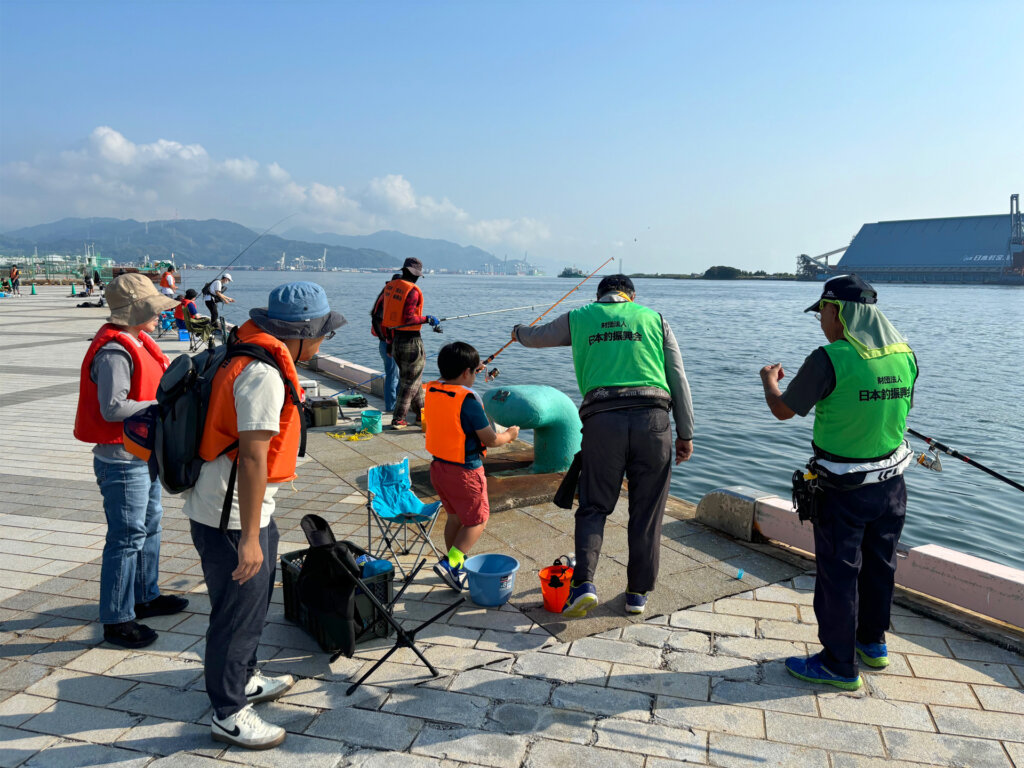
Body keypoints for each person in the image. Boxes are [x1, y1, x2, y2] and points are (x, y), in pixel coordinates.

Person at [184, 281, 345, 749]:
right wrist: (251, 537)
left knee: (250, 605)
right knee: (236, 612)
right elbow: (253, 457)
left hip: (237, 507)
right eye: (322, 333)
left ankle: (246, 677)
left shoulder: (253, 353)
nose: (322, 343)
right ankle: (228, 711)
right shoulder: (263, 374)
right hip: (230, 515)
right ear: (300, 333)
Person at [759, 274, 918, 691]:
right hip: (892, 486)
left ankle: (837, 664)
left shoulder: (830, 358)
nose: (821, 321)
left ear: (839, 312)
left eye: (823, 312)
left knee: (839, 573)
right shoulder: (906, 355)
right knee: (881, 566)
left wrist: (769, 381)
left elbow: (784, 410)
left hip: (843, 490)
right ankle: (873, 643)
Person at [511, 274, 694, 617]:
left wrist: (518, 332)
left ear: (600, 296)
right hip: (653, 422)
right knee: (647, 512)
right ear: (631, 296)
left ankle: (583, 585)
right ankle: (637, 594)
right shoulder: (654, 319)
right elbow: (678, 378)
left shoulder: (579, 318)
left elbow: (536, 338)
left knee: (594, 506)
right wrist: (686, 433)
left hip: (602, 422)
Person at [74, 273, 189, 648]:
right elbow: (112, 408)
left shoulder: (135, 339)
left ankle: (145, 595)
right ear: (137, 312)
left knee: (149, 525)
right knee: (126, 537)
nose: (160, 315)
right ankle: (117, 619)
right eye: (154, 309)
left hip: (142, 453)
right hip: (122, 459)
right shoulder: (114, 351)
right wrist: (162, 403)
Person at [424, 342, 520, 590]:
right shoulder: (468, 401)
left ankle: (454, 567)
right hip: (465, 471)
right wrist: (510, 435)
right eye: (474, 372)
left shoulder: (433, 390)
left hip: (439, 469)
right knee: (478, 520)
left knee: (455, 518)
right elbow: (489, 439)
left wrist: (471, 369)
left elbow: (450, 377)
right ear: (467, 372)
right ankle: (452, 564)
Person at [380, 257, 440, 428]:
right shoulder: (412, 291)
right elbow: (408, 318)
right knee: (410, 382)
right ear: (415, 274)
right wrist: (427, 318)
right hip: (411, 341)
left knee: (415, 380)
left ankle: (423, 415)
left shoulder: (391, 287)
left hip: (395, 339)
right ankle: (398, 418)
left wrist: (390, 343)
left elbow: (388, 318)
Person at [370, 273, 402, 411]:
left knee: (397, 375)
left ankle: (397, 405)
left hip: (390, 343)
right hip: (389, 343)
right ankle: (391, 407)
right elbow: (376, 320)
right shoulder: (386, 299)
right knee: (393, 375)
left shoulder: (388, 296)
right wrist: (386, 340)